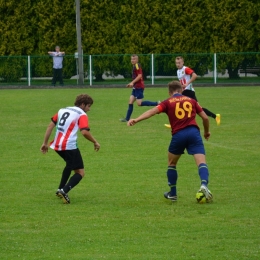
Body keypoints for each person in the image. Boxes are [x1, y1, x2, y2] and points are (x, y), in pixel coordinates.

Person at [128, 81, 213, 203]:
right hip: (194, 133)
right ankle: (204, 185)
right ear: (181, 90)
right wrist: (206, 132)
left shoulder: (168, 102)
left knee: (172, 163)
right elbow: (205, 117)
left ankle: (173, 193)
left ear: (169, 92)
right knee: (201, 162)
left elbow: (152, 112)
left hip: (179, 135)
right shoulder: (191, 100)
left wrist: (136, 119)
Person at [40, 94, 100, 204]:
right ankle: (64, 190)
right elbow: (84, 132)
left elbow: (50, 126)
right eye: (88, 106)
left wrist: (45, 143)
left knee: (70, 165)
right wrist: (95, 142)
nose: (89, 109)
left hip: (57, 145)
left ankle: (60, 189)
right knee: (80, 172)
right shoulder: (81, 114)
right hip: (69, 146)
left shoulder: (62, 110)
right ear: (83, 104)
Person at [175, 56, 221, 126]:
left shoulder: (186, 69)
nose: (178, 64)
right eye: (176, 63)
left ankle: (176, 123)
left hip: (189, 91)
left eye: (179, 63)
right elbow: (182, 82)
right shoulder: (178, 71)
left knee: (180, 104)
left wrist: (187, 83)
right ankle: (216, 116)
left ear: (183, 62)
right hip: (185, 91)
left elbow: (195, 75)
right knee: (198, 109)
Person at [120, 54, 159, 122]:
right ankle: (127, 119)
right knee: (130, 101)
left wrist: (132, 82)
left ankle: (157, 103)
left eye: (134, 59)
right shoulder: (134, 66)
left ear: (137, 60)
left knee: (139, 103)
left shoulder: (137, 65)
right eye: (132, 59)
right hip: (135, 87)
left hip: (139, 87)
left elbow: (140, 76)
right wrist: (132, 83)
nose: (132, 60)